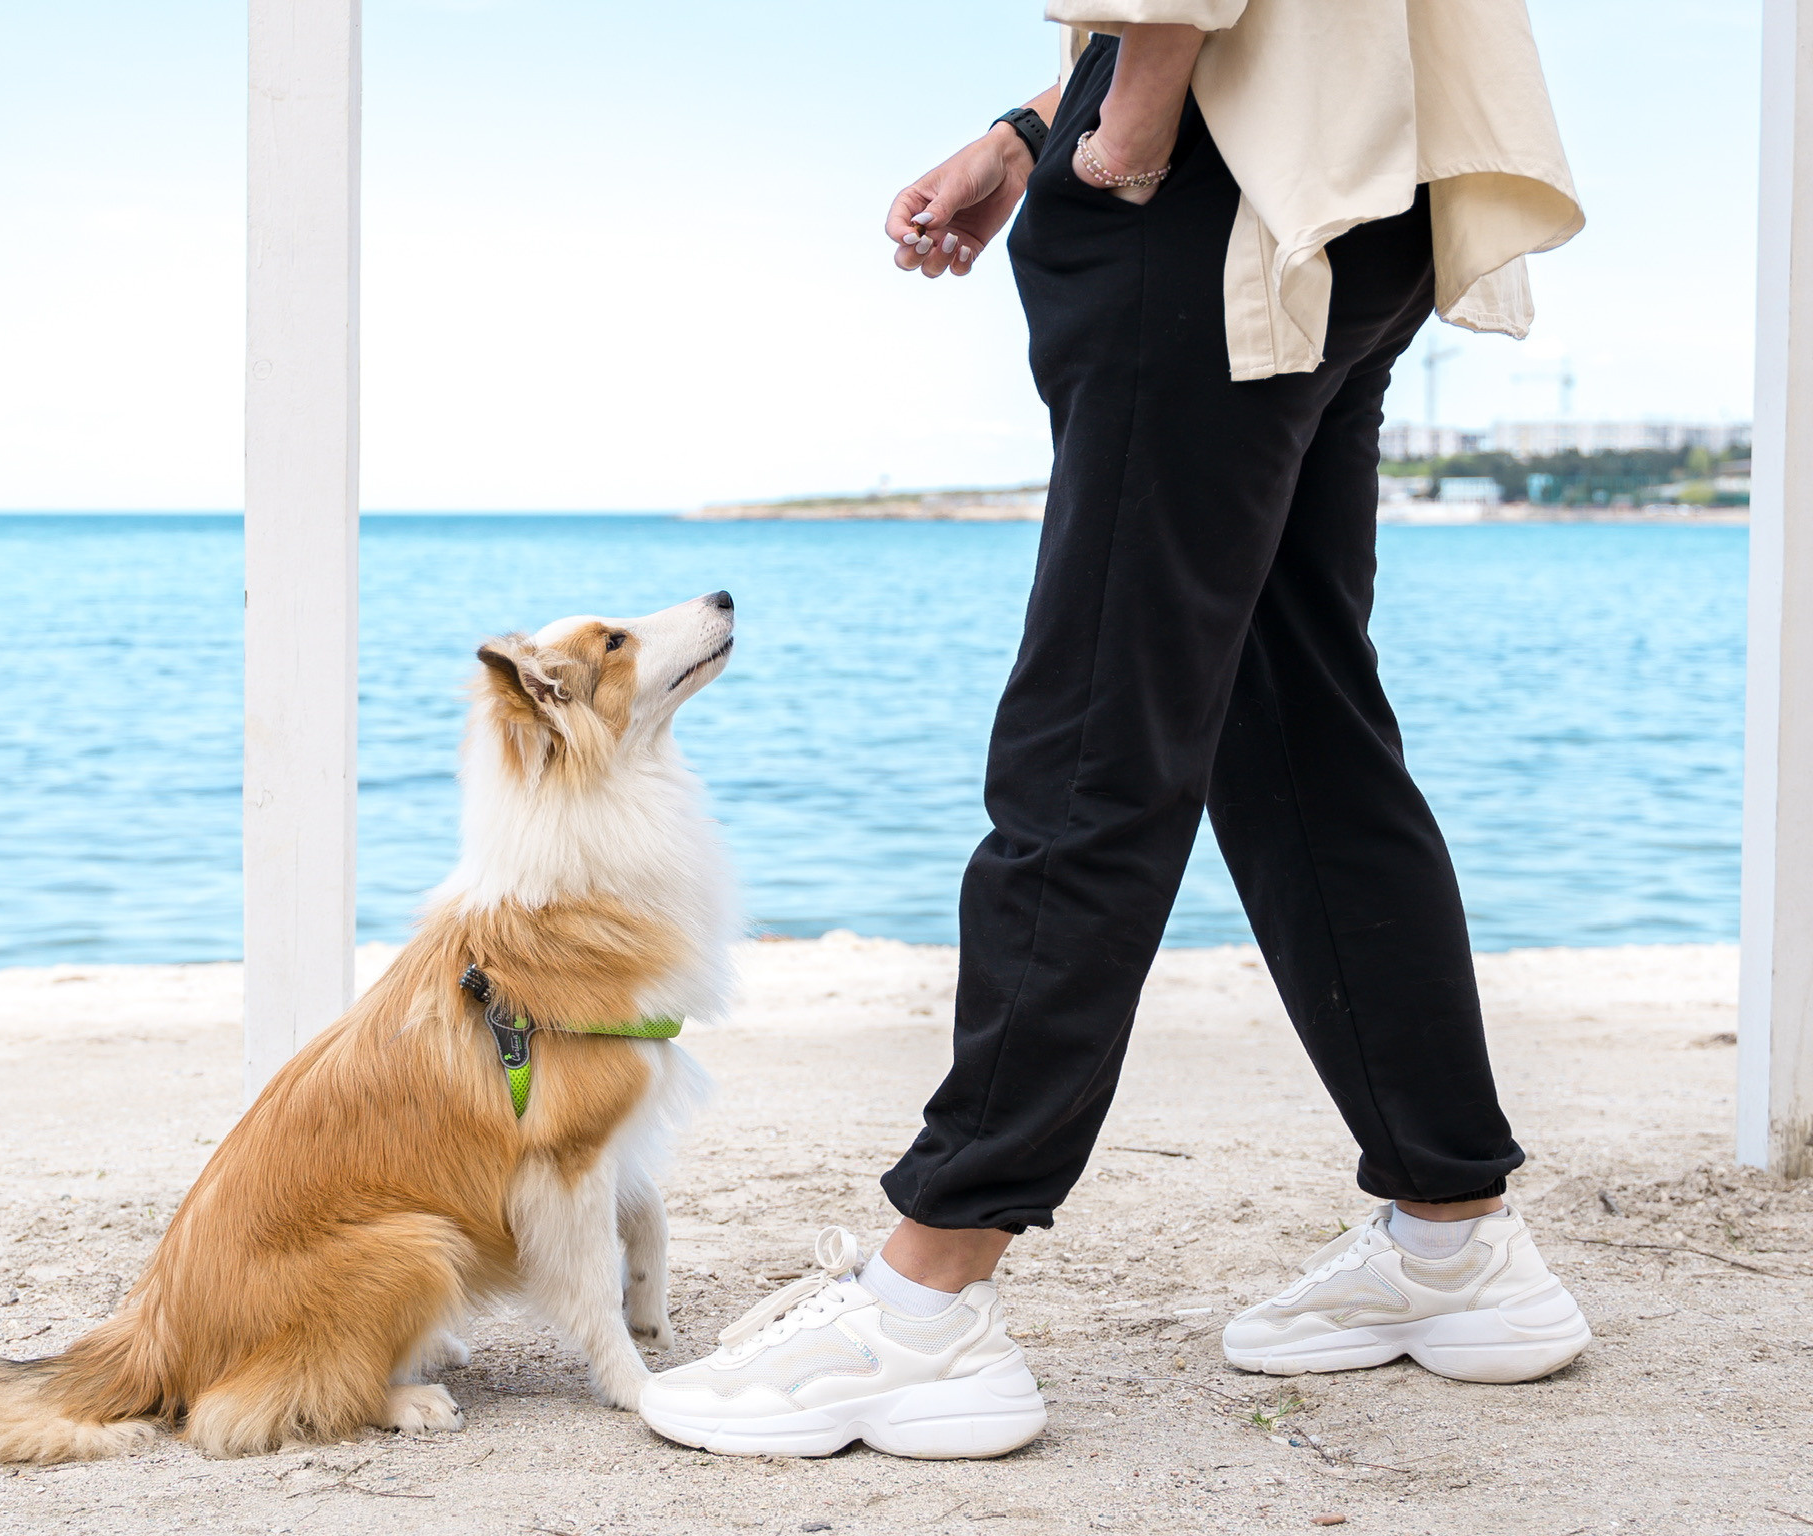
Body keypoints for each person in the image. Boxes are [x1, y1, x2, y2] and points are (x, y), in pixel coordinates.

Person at [638, 3, 1591, 1460]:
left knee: (1092, 735)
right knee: (1298, 733)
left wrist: (1132, 115)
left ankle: (927, 1297)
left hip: (1210, 180)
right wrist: (1043, 123)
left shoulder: (1159, 134)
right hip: (1355, 186)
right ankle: (1454, 1233)